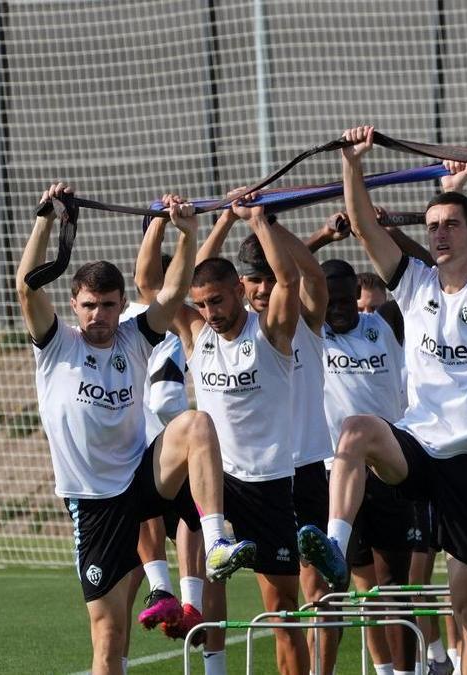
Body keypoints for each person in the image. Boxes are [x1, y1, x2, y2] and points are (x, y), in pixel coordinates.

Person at [296, 125, 467, 675]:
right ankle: (336, 545)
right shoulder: (413, 285)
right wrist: (353, 162)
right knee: (358, 429)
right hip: (419, 444)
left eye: (450, 225)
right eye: (432, 226)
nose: (439, 234)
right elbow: (363, 226)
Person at [15, 185, 252, 675]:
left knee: (195, 423)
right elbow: (26, 285)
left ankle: (216, 542)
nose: (97, 315)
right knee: (110, 637)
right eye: (88, 305)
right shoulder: (55, 342)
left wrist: (186, 234)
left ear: (121, 303)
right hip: (94, 503)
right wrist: (46, 220)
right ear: (74, 305)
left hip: (139, 480)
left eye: (106, 305)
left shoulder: (134, 336)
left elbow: (168, 293)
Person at [177, 195, 309, 675]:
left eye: (217, 299)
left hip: (271, 482)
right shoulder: (196, 334)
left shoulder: (271, 331)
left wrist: (256, 220)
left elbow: (289, 279)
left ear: (238, 289)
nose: (209, 311)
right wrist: (221, 220)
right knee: (213, 580)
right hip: (219, 481)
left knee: (283, 609)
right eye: (202, 304)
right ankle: (214, 670)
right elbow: (164, 287)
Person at [314, 256, 418, 675]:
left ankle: (405, 672)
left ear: (356, 295)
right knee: (343, 587)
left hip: (389, 469)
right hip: (336, 474)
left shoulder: (385, 323)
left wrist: (371, 228)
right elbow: (283, 276)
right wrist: (319, 238)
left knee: (395, 585)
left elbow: (420, 271)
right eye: (328, 300)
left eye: (344, 299)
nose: (337, 308)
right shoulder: (308, 332)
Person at [123, 216, 206, 645]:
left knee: (185, 518)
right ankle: (174, 595)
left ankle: (178, 598)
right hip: (153, 445)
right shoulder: (139, 318)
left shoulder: (180, 320)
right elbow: (146, 280)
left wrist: (221, 219)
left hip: (165, 445)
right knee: (161, 514)